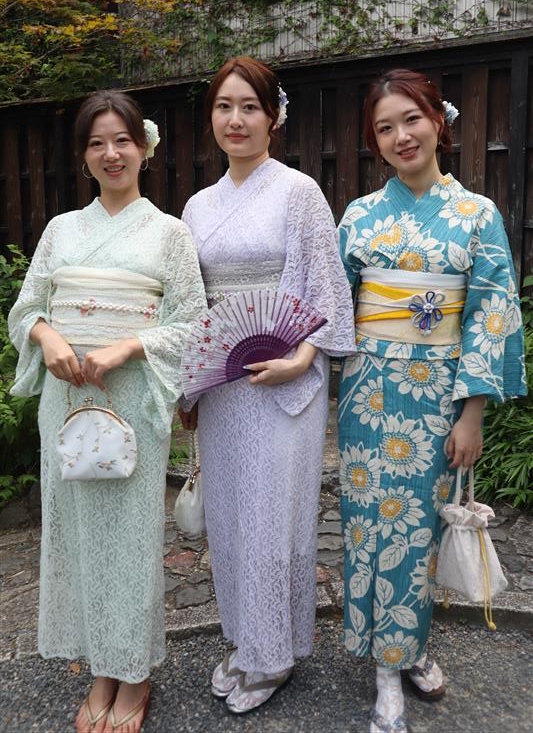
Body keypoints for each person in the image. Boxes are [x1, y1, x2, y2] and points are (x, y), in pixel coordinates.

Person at [8, 90, 206, 733]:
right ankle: (101, 668)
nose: (111, 153)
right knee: (75, 536)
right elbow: (26, 308)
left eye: (122, 140)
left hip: (131, 400)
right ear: (84, 156)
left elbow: (193, 322)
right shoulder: (61, 230)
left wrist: (130, 345)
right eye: (97, 143)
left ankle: (134, 674)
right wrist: (47, 337)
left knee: (132, 539)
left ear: (144, 147)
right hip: (68, 400)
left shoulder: (170, 233)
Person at [337, 68, 527, 733]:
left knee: (418, 530)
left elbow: (489, 313)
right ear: (375, 141)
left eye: (411, 120)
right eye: (384, 127)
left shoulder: (477, 215)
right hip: (367, 391)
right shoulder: (359, 216)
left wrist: (471, 412)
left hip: (436, 394)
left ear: (437, 121)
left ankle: (408, 650)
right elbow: (332, 308)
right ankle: (384, 666)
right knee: (366, 525)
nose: (400, 136)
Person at [179, 56, 355, 714]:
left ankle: (274, 654)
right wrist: (190, 386)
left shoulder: (298, 192)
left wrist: (301, 358)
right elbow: (190, 304)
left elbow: (326, 290)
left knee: (273, 521)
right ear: (211, 118)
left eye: (249, 106)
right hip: (224, 386)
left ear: (274, 116)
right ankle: (245, 639)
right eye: (224, 106)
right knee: (229, 520)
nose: (236, 119)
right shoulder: (198, 206)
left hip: (283, 380)